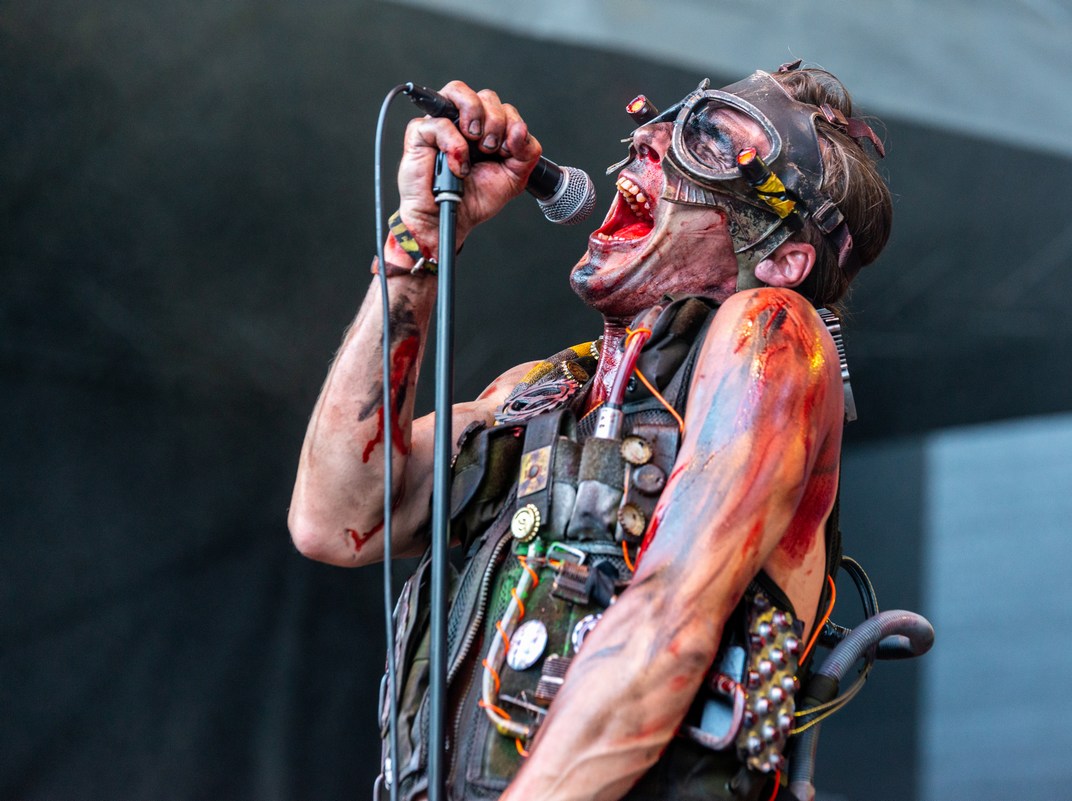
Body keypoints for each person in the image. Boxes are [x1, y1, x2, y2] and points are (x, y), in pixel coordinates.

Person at [289, 60, 892, 801]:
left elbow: (669, 622)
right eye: (669, 118)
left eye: (708, 140)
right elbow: (336, 518)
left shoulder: (772, 332)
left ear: (783, 257)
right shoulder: (546, 392)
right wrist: (417, 241)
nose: (651, 138)